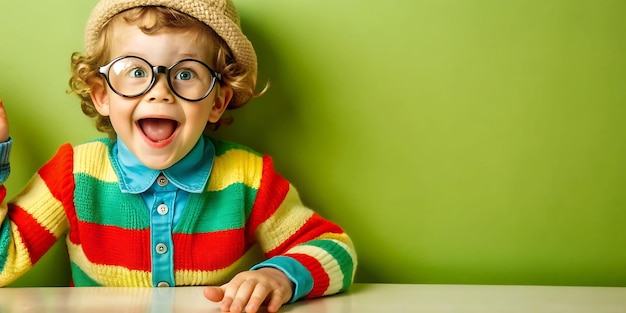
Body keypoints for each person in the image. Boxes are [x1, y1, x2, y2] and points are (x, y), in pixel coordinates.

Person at [0, 0, 357, 312]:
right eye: (136, 71)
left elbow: (336, 251)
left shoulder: (248, 178)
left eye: (185, 74)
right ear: (102, 95)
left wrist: (278, 277)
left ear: (217, 101)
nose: (160, 92)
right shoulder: (74, 175)